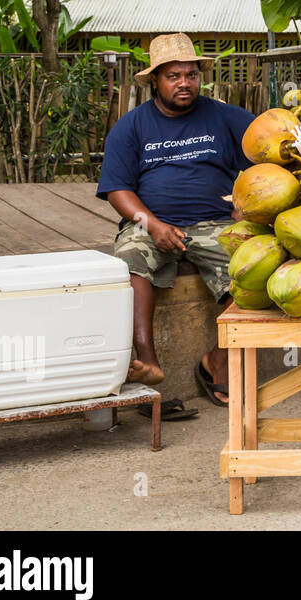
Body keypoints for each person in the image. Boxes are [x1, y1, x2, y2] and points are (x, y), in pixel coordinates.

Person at [96, 33, 254, 412]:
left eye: (191, 74)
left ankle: (219, 357)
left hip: (215, 222)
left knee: (254, 264)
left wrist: (246, 206)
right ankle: (148, 362)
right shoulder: (131, 127)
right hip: (148, 223)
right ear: (155, 80)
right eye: (173, 76)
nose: (185, 83)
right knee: (131, 258)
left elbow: (265, 158)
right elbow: (118, 190)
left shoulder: (225, 117)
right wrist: (153, 225)